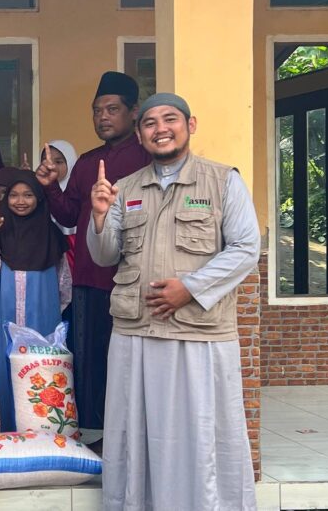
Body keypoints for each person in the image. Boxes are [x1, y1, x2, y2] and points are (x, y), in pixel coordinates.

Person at [86, 93, 259, 511]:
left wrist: (190, 288)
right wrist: (99, 216)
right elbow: (105, 256)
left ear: (190, 125)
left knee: (200, 435)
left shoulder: (222, 181)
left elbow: (246, 248)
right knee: (136, 434)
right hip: (136, 333)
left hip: (198, 335)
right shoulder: (126, 188)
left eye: (170, 119)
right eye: (150, 123)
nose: (160, 129)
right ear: (140, 134)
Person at [34, 71, 151, 437]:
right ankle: (93, 435)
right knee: (89, 361)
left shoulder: (149, 159)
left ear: (133, 112)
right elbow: (70, 215)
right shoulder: (87, 162)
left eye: (112, 109)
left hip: (132, 280)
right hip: (88, 279)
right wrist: (50, 187)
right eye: (97, 110)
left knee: (129, 362)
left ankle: (130, 435)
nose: (103, 117)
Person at [0, 169, 71, 431]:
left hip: (43, 313)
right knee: (6, 362)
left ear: (39, 198)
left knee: (41, 366)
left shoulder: (52, 234)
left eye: (28, 195)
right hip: (7, 312)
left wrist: (51, 311)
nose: (20, 201)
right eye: (14, 195)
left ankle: (42, 427)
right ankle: (8, 426)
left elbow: (64, 282)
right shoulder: (2, 230)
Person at [40, 141, 79, 273]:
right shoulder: (37, 191)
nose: (52, 166)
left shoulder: (78, 191)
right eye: (46, 161)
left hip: (73, 248)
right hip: (46, 253)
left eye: (59, 162)